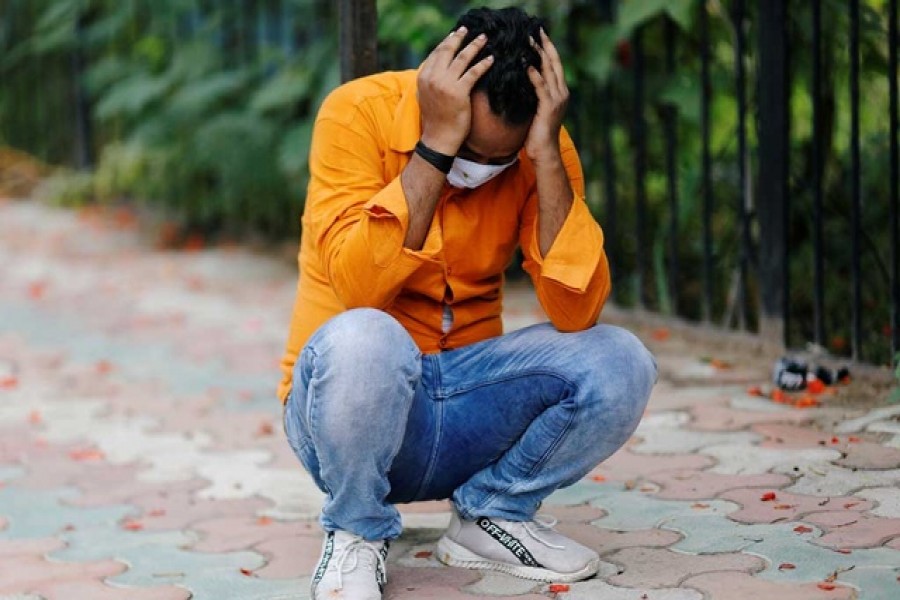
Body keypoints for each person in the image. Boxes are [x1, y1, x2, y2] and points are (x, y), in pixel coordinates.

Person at [278, 6, 656, 599]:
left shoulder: (537, 147)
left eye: (494, 160)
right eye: (470, 150)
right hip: (348, 413)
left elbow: (575, 312)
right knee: (364, 336)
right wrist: (435, 148)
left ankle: (492, 515)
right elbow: (359, 288)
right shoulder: (356, 112)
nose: (478, 169)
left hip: (465, 411)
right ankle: (355, 530)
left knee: (621, 359)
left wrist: (544, 156)